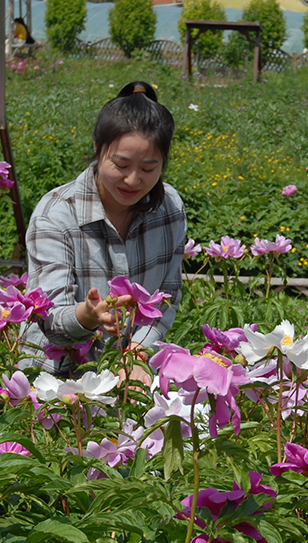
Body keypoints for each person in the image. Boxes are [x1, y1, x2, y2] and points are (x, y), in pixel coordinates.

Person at [21, 81, 186, 377]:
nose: (133, 180)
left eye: (149, 168)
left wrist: (137, 351)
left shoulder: (169, 208)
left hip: (131, 375)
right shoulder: (55, 216)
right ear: (98, 149)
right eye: (121, 165)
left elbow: (168, 294)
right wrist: (88, 316)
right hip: (57, 379)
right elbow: (48, 319)